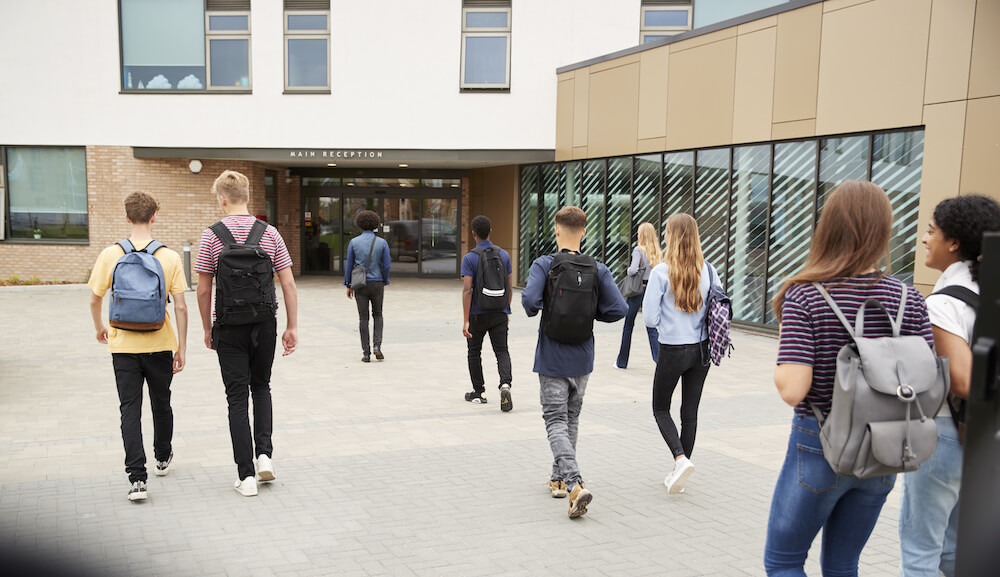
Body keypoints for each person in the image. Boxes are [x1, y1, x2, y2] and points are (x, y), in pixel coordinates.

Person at [764, 180, 934, 576]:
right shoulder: (909, 299)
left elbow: (793, 389)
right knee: (843, 564)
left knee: (784, 563)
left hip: (820, 443)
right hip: (886, 448)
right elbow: (928, 385)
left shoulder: (806, 295)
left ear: (829, 227)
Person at [899, 194, 1000, 577]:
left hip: (944, 433)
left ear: (953, 242)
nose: (925, 239)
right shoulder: (985, 295)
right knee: (954, 552)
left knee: (921, 551)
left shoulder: (943, 303)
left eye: (931, 231)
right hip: (980, 437)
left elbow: (959, 378)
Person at [195, 170, 298, 497]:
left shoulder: (211, 236)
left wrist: (207, 328)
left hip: (229, 326)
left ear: (221, 199)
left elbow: (201, 289)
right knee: (261, 386)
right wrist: (292, 326)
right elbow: (289, 284)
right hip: (264, 323)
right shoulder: (270, 233)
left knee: (236, 397)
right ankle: (264, 455)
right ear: (248, 197)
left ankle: (246, 476)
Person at [522, 206, 628, 518]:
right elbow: (619, 309)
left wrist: (542, 309)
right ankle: (557, 479)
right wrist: (591, 313)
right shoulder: (599, 269)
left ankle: (574, 483)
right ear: (584, 231)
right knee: (571, 419)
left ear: (556, 230)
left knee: (555, 420)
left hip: (553, 357)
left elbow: (529, 301)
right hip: (583, 357)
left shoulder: (545, 264)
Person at [88, 192, 188, 502]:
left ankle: (137, 479)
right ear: (154, 216)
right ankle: (162, 456)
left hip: (123, 345)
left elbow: (94, 298)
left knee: (129, 409)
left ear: (127, 218)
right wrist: (181, 348)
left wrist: (100, 329)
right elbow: (182, 307)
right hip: (160, 344)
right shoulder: (169, 257)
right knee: (162, 402)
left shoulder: (110, 255)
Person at [642, 214, 721, 495]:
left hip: (673, 349)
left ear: (672, 237)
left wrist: (669, 321)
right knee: (690, 412)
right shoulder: (710, 270)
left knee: (660, 408)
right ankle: (681, 472)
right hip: (702, 350)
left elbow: (650, 319)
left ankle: (680, 459)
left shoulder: (661, 272)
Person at [461, 215, 514, 410]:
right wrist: (506, 309)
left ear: (473, 234)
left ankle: (479, 392)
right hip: (499, 312)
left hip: (477, 313)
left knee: (474, 351)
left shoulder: (469, 258)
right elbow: (509, 286)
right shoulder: (505, 255)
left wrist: (466, 320)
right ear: (491, 231)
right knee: (501, 350)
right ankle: (505, 384)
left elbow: (467, 290)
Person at [344, 210, 391, 363]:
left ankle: (366, 353)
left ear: (359, 224)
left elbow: (349, 264)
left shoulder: (353, 242)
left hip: (360, 284)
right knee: (378, 314)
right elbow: (386, 265)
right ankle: (377, 346)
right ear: (375, 224)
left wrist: (348, 284)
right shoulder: (382, 243)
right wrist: (384, 280)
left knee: (363, 318)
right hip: (377, 282)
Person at [615, 222, 661, 369]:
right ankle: (659, 360)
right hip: (651, 290)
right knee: (651, 326)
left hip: (637, 291)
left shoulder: (638, 250)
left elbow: (633, 270)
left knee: (628, 326)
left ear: (641, 235)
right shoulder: (657, 251)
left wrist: (629, 269)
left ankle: (622, 362)